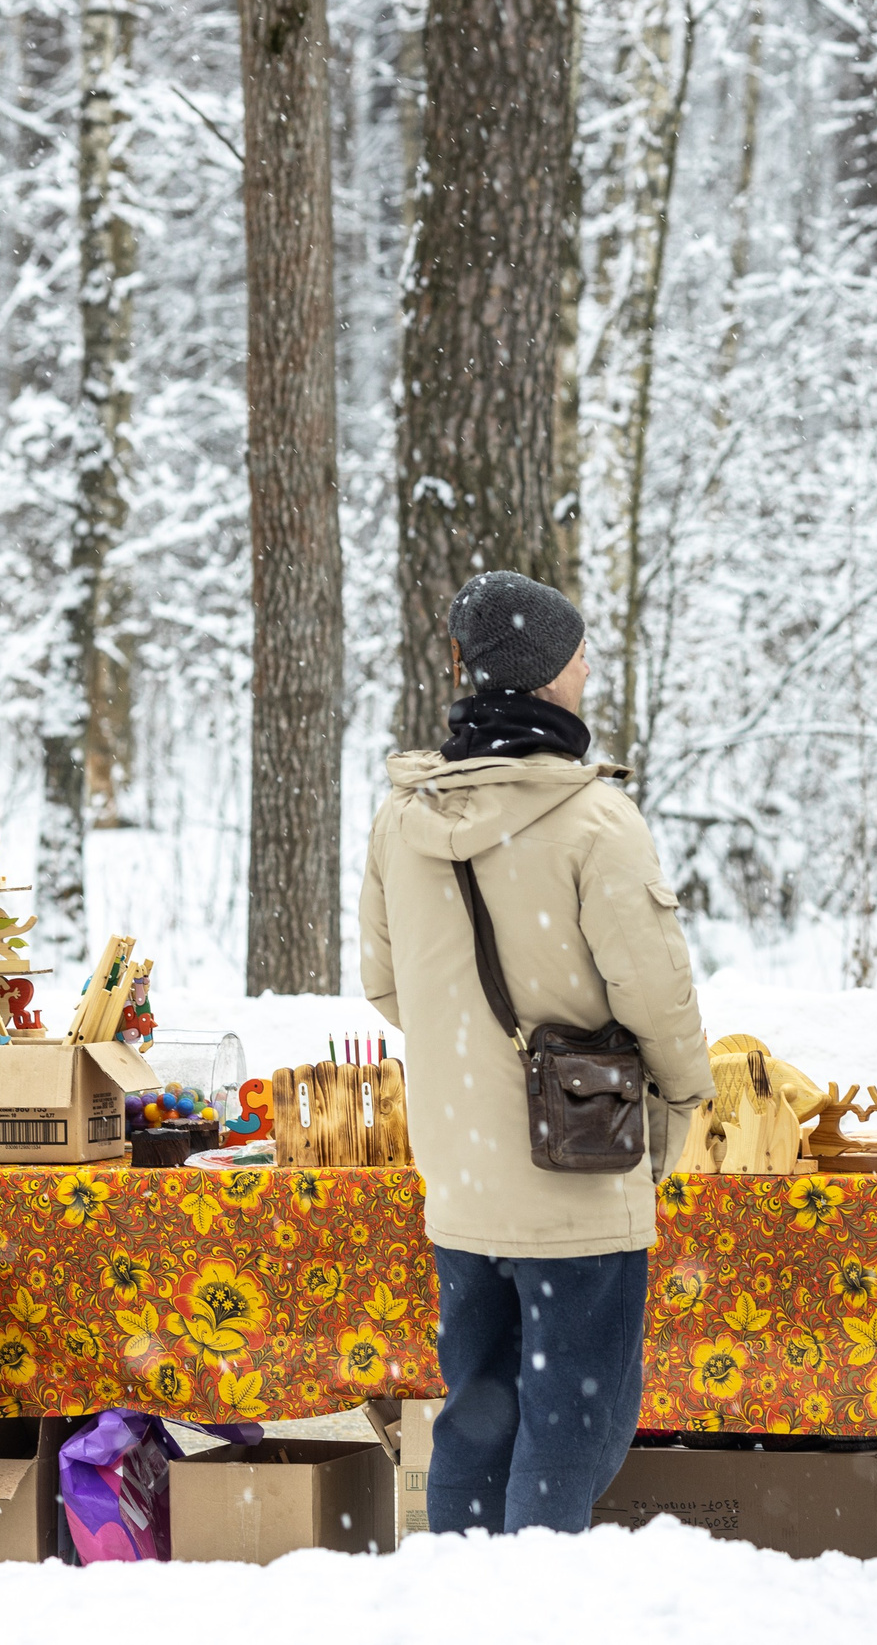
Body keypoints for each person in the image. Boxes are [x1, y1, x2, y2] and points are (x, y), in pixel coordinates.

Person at [360, 570, 713, 1534]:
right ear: (550, 673)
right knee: (576, 1424)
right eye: (580, 654)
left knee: (475, 1413)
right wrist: (686, 1094)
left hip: (462, 1175)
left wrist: (469, 1058)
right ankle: (536, 1602)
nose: (588, 669)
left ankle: (461, 1590)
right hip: (578, 1171)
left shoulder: (403, 818)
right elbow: (655, 995)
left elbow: (386, 986)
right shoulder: (594, 819)